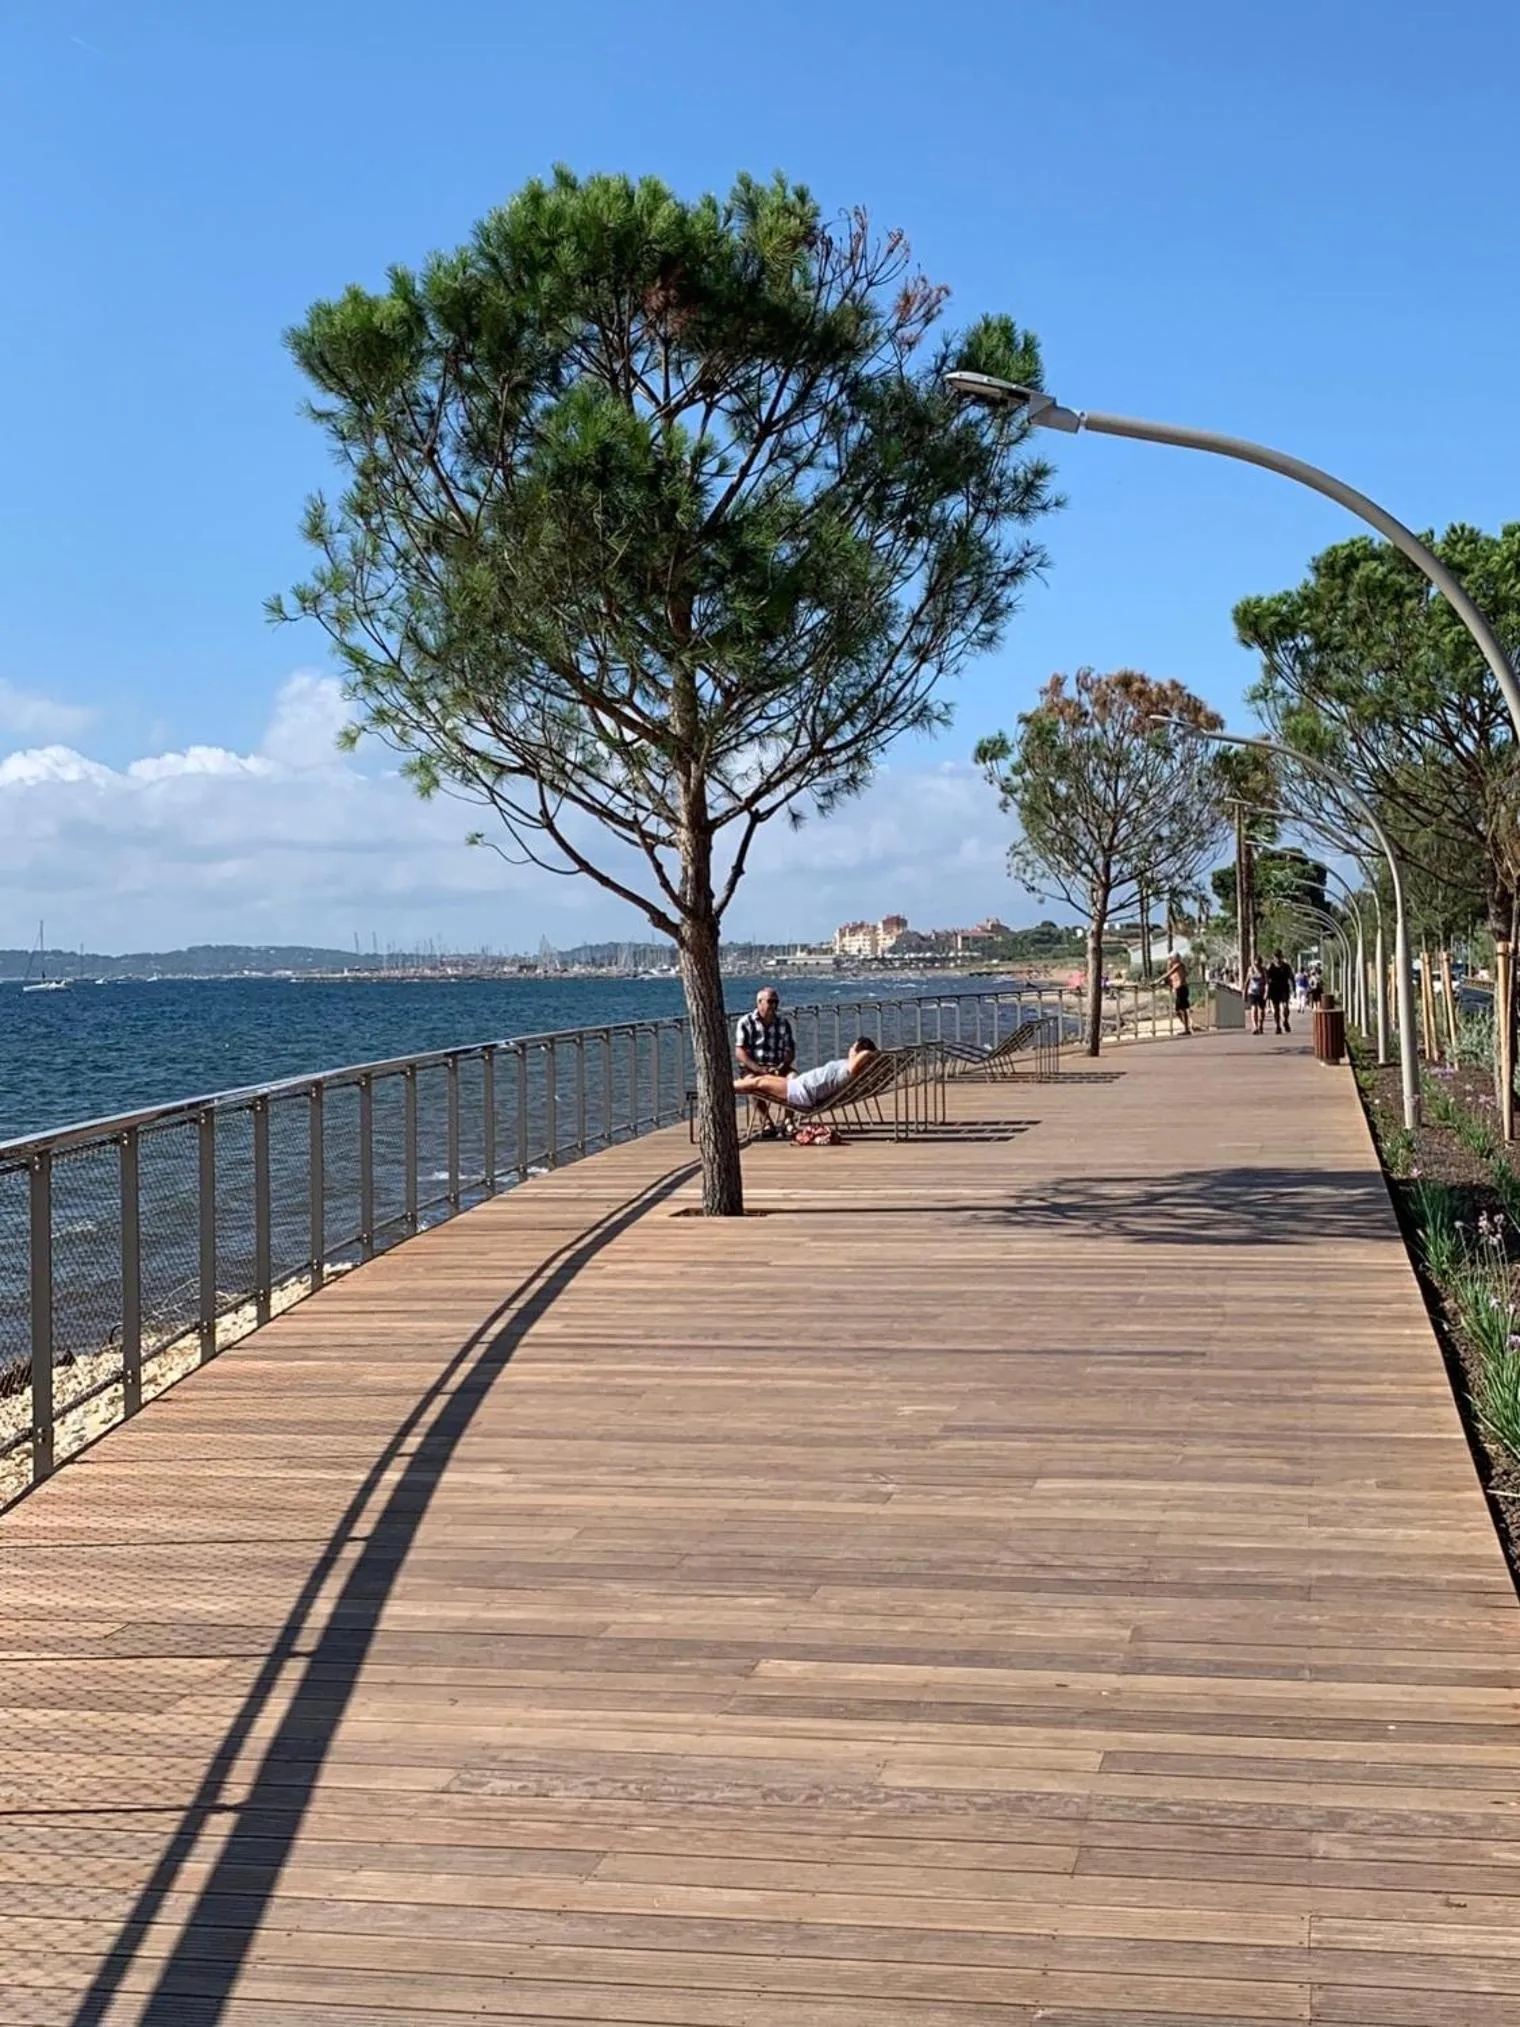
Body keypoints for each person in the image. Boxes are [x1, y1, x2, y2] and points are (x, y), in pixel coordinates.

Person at [735, 1036, 879, 1115]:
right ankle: (731, 1086)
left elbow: (855, 1065)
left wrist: (866, 1053)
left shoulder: (850, 1069)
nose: (850, 1049)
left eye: (853, 1047)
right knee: (762, 1078)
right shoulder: (849, 1067)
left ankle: (726, 1088)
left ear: (858, 1052)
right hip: (800, 1085)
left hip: (803, 1092)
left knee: (758, 1083)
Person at [734, 986, 796, 1140]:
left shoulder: (783, 1023)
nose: (774, 1005)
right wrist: (759, 1069)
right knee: (751, 1083)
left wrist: (782, 1066)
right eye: (770, 1001)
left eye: (776, 1002)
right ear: (759, 1002)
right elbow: (740, 1052)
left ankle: (788, 1119)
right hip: (753, 1067)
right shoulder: (746, 1022)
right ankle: (766, 1121)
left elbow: (790, 1050)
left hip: (779, 1066)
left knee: (794, 1079)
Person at [1265, 950, 1295, 1034]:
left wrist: (1294, 988)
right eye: (1276, 957)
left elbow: (1291, 977)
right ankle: (1278, 1026)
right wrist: (1266, 990)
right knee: (1276, 1009)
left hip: (1284, 988)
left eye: (1279, 957)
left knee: (1286, 1007)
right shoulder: (1270, 967)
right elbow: (1266, 978)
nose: (1277, 959)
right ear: (1273, 958)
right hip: (1274, 989)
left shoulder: (1286, 966)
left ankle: (1285, 1020)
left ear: (1281, 957)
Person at [1164, 952, 1193, 1036]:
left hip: (1182, 988)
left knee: (1183, 1009)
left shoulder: (1179, 965)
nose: (1170, 960)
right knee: (1178, 1010)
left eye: (1171, 958)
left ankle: (1187, 1028)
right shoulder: (1174, 966)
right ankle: (1187, 1027)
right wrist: (1168, 965)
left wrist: (1157, 981)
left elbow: (1168, 974)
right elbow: (1169, 976)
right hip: (1178, 989)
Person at [1243, 956, 1268, 1035]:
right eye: (1255, 964)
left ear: (1261, 963)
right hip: (1252, 992)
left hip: (1261, 992)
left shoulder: (1263, 971)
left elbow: (1267, 983)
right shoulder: (1250, 970)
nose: (1257, 965)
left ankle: (1260, 1025)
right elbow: (1247, 982)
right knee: (1254, 1008)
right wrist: (1245, 993)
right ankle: (1255, 1026)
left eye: (1258, 964)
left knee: (1262, 1011)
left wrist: (1266, 992)